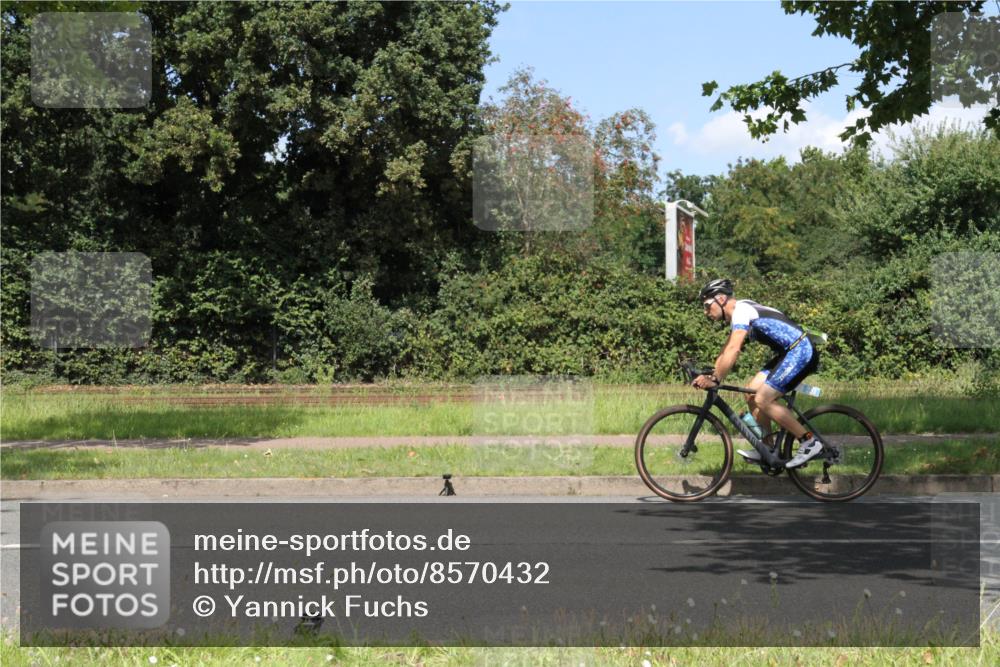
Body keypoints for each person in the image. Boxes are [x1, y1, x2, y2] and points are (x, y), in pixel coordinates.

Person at [691, 278, 822, 468]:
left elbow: (734, 350)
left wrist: (716, 379)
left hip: (800, 351)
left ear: (720, 299)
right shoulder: (740, 313)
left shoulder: (741, 312)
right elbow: (725, 350)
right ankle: (767, 449)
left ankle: (809, 441)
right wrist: (712, 374)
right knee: (751, 394)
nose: (705, 312)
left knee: (763, 399)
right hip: (788, 353)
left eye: (707, 305)